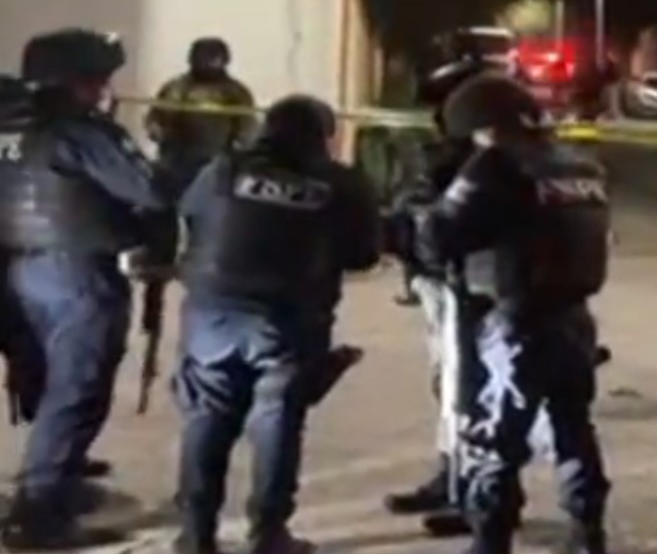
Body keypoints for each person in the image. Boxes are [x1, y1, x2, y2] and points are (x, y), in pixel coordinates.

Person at [172, 94, 380, 554]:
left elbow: (189, 216)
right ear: (324, 137)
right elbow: (364, 254)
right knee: (277, 422)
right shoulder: (340, 184)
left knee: (206, 418)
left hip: (212, 313)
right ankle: (268, 533)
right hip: (288, 320)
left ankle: (195, 533)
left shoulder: (222, 169)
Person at [415, 72, 612, 554]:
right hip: (575, 320)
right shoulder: (580, 165)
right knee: (571, 430)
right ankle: (587, 533)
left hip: (517, 321)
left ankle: (490, 540)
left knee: (495, 442)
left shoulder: (496, 165)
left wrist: (418, 215)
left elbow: (440, 236)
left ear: (483, 126)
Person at [0, 28, 174, 549]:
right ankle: (38, 511)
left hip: (15, 271)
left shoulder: (11, 125)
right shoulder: (83, 132)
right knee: (77, 390)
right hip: (76, 273)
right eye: (97, 78)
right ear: (75, 81)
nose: (105, 88)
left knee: (50, 385)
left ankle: (56, 482)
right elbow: (150, 189)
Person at [382, 56, 560, 536]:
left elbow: (450, 222)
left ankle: (479, 498)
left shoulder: (491, 159)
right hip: (459, 286)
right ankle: (458, 480)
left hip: (476, 290)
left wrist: (417, 226)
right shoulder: (492, 149)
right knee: (454, 390)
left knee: (471, 394)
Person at [144, 37, 257, 190]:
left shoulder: (235, 92)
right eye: (203, 55)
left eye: (213, 56)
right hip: (174, 163)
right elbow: (154, 117)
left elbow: (247, 128)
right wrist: (155, 129)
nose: (208, 61)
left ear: (224, 59)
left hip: (214, 167)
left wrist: (238, 151)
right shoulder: (174, 88)